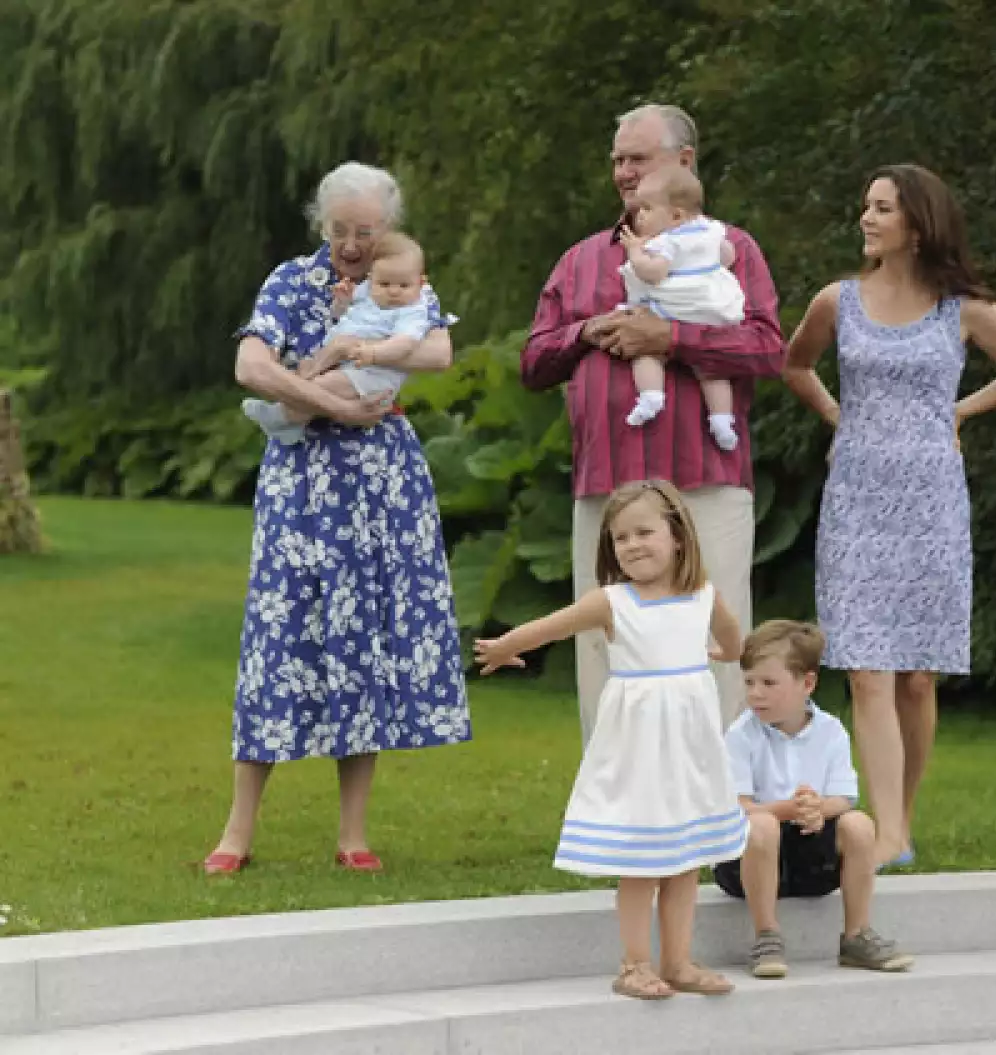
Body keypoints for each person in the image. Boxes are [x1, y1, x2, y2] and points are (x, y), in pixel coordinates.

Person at [206, 163, 471, 876]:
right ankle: (236, 831)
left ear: (387, 227)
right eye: (340, 230)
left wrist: (357, 360)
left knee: (363, 644)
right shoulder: (291, 280)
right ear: (320, 224)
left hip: (382, 482)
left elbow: (440, 350)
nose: (353, 245)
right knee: (277, 637)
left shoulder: (402, 274)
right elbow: (251, 366)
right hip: (303, 482)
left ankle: (353, 833)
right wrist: (332, 404)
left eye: (366, 231)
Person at [783, 164, 996, 867]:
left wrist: (958, 412)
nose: (866, 219)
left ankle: (902, 815)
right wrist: (838, 416)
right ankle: (888, 831)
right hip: (857, 500)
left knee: (918, 675)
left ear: (919, 225)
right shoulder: (837, 300)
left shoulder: (964, 309)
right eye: (866, 206)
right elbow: (795, 365)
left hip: (932, 502)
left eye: (882, 208)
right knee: (866, 670)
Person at [522, 102, 783, 746]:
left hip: (705, 476)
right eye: (617, 160)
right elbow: (534, 362)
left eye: (637, 158)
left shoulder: (731, 249)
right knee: (604, 645)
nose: (623, 172)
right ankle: (613, 800)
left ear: (684, 161)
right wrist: (588, 329)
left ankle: (722, 797)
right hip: (606, 483)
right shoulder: (581, 260)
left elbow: (767, 349)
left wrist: (671, 337)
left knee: (716, 639)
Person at [473, 479, 747, 1000]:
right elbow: (551, 627)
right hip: (639, 752)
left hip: (689, 752)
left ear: (677, 536)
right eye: (620, 538)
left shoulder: (702, 596)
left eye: (644, 532)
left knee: (686, 857)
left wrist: (726, 654)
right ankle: (634, 963)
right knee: (642, 858)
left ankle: (678, 961)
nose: (632, 545)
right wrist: (506, 645)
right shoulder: (613, 602)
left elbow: (734, 638)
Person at [714, 620, 914, 979]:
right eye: (749, 682)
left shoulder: (831, 731)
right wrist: (786, 810)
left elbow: (844, 797)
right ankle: (766, 936)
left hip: (812, 856)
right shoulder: (740, 735)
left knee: (859, 824)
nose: (755, 694)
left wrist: (819, 809)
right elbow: (737, 806)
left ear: (807, 684)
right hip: (748, 860)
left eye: (768, 683)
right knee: (761, 825)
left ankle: (856, 935)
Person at [242, 232, 431, 445]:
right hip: (342, 360)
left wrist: (373, 353)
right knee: (308, 371)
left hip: (371, 374)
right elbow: (346, 315)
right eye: (385, 284)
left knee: (321, 387)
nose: (393, 291)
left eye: (403, 285)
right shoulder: (370, 292)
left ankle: (282, 417)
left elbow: (405, 343)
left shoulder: (413, 311)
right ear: (372, 278)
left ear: (421, 283)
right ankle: (294, 419)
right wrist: (342, 302)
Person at [617, 165, 745, 451]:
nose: (640, 215)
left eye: (647, 209)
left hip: (674, 308)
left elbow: (654, 273)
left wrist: (635, 252)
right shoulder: (711, 230)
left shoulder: (666, 241)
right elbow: (728, 256)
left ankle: (651, 396)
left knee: (646, 352)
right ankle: (722, 420)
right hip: (709, 311)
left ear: (675, 216)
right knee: (712, 370)